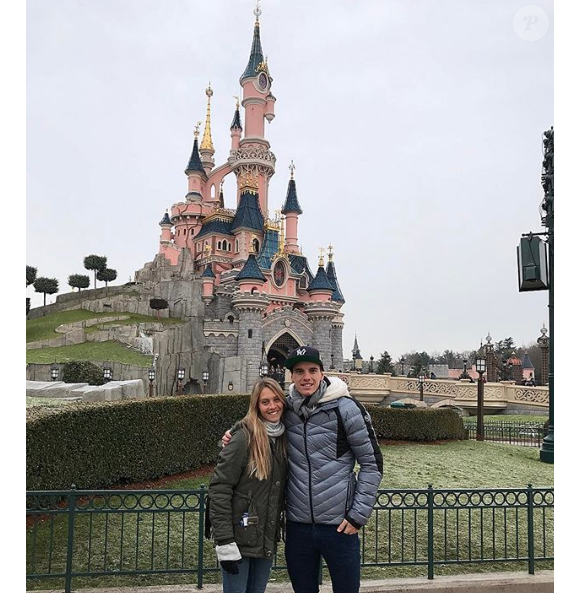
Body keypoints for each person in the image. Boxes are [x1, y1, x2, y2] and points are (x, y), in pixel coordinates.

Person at [223, 346, 383, 593]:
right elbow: (257, 418)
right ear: (291, 376)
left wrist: (357, 515)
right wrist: (232, 433)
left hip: (339, 525)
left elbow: (372, 464)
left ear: (322, 373)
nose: (306, 377)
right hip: (298, 527)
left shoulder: (346, 409)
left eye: (312, 370)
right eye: (299, 371)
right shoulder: (287, 410)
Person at [207, 378, 287, 593]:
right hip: (238, 540)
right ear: (256, 406)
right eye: (265, 402)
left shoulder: (283, 438)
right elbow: (219, 488)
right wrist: (224, 542)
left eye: (276, 400)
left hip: (265, 537)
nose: (272, 406)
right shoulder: (244, 437)